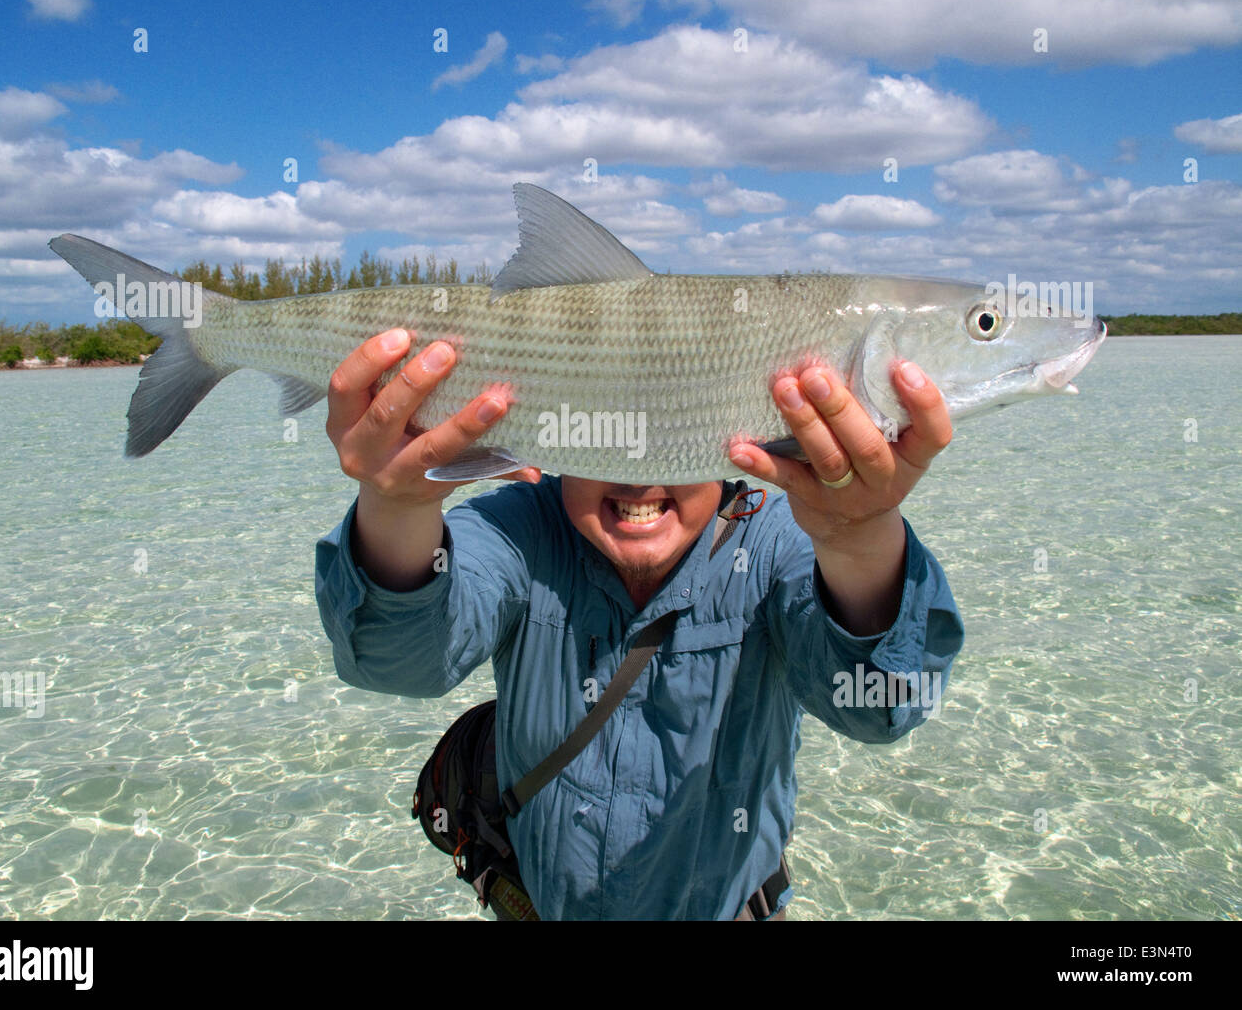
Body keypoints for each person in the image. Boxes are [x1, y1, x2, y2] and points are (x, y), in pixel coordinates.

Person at [315, 329, 964, 920]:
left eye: (671, 433)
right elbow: (396, 660)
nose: (639, 472)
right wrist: (395, 503)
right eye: (606, 432)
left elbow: (884, 705)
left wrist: (858, 536)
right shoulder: (520, 528)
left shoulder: (778, 539)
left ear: (728, 441)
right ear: (557, 433)